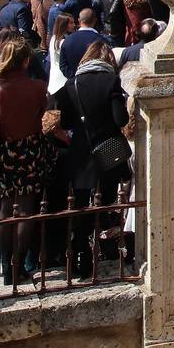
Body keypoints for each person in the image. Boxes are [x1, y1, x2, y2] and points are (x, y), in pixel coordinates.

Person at [49, 40, 131, 274]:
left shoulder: (71, 84)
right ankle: (96, 248)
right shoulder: (111, 81)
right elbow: (120, 120)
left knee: (82, 205)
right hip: (108, 153)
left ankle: (80, 250)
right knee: (103, 203)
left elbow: (64, 122)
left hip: (81, 154)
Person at [0, 35, 51, 283]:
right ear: (25, 61)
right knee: (25, 208)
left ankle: (5, 263)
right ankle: (18, 264)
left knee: (4, 206)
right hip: (30, 148)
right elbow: (46, 115)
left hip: (3, 149)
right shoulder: (37, 87)